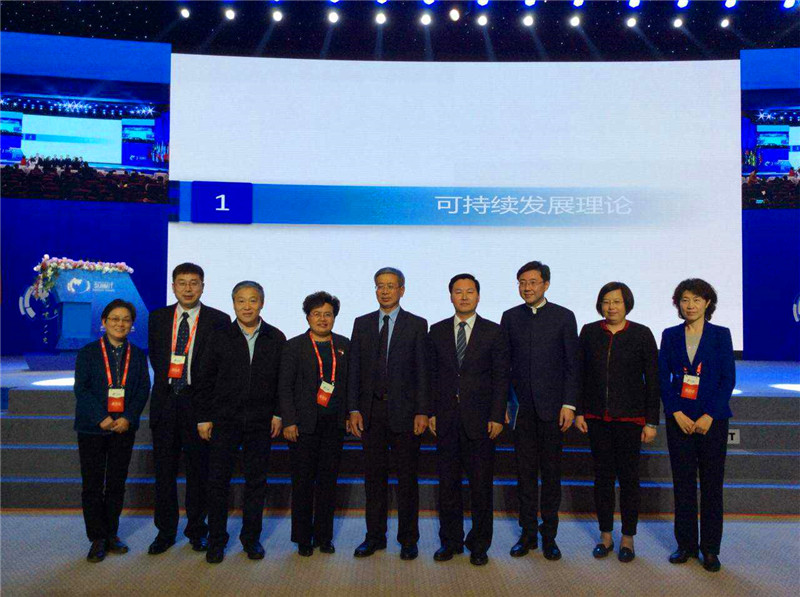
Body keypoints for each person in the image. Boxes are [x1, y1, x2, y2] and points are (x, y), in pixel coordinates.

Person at [194, 281, 285, 564]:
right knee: (218, 482)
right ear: (233, 303)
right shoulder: (219, 336)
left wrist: (278, 414)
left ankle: (251, 539)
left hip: (260, 422)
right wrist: (204, 417)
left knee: (256, 482)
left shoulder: (275, 337)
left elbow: (282, 382)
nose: (247, 306)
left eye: (253, 300)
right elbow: (204, 379)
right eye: (241, 301)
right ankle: (216, 540)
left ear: (262, 303)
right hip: (224, 421)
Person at [146, 263, 231, 555]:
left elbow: (218, 367)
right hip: (166, 402)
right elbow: (157, 358)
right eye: (182, 283)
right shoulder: (157, 318)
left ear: (203, 286)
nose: (188, 288)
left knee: (199, 473)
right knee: (164, 473)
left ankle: (197, 530)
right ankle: (165, 532)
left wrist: (208, 410)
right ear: (173, 287)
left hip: (199, 404)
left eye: (194, 283)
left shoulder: (219, 320)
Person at [574, 282, 660, 563]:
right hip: (597, 418)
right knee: (603, 478)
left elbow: (653, 381)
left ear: (627, 304)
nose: (611, 307)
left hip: (630, 419)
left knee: (629, 479)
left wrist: (651, 421)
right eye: (606, 301)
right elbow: (579, 374)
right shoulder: (589, 332)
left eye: (617, 301)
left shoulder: (641, 334)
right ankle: (605, 536)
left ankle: (628, 538)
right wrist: (579, 411)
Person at [348, 267, 429, 561]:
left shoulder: (417, 324)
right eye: (380, 286)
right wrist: (353, 408)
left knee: (407, 480)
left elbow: (422, 372)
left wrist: (422, 410)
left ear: (402, 290)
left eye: (390, 286)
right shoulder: (362, 324)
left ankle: (408, 539)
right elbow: (354, 370)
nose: (384, 291)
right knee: (374, 480)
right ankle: (374, 537)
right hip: (371, 413)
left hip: (406, 414)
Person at [428, 274, 509, 566]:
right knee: (448, 486)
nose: (464, 297)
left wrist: (497, 415)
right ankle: (450, 542)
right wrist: (431, 412)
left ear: (478, 296)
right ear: (450, 296)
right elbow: (431, 376)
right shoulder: (436, 330)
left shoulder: (494, 331)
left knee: (480, 487)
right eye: (458, 292)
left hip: (482, 421)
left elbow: (501, 377)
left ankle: (479, 544)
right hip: (446, 419)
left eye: (469, 291)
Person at [501, 260, 578, 561]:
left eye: (532, 282)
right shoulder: (510, 317)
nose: (527, 287)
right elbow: (504, 366)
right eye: (522, 282)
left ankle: (549, 536)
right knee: (524, 474)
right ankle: (527, 533)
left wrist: (569, 404)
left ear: (546, 284)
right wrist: (504, 404)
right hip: (521, 411)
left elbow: (572, 365)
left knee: (551, 474)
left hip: (553, 411)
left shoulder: (563, 317)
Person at [659, 279, 735, 573]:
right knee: (684, 486)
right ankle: (686, 545)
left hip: (711, 422)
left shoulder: (721, 335)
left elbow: (727, 379)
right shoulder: (670, 335)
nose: (690, 305)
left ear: (707, 303)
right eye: (685, 300)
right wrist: (675, 411)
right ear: (678, 304)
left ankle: (711, 549)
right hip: (680, 421)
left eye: (696, 300)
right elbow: (662, 378)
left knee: (712, 487)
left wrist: (710, 415)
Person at [73, 299, 151, 562]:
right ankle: (97, 537)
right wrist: (101, 418)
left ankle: (111, 533)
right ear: (104, 322)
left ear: (132, 325)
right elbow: (81, 389)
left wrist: (128, 417)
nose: (120, 324)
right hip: (92, 429)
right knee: (93, 484)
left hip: (123, 428)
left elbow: (143, 389)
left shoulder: (137, 355)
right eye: (115, 319)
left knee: (116, 483)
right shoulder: (88, 352)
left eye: (126, 319)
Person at [279, 291, 350, 557]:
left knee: (328, 483)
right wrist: (289, 420)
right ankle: (303, 538)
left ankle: (324, 536)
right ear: (307, 317)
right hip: (302, 426)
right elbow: (285, 387)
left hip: (333, 426)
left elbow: (349, 384)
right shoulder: (293, 346)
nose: (322, 319)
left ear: (334, 317)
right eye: (317, 314)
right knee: (303, 483)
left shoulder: (344, 345)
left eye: (327, 314)